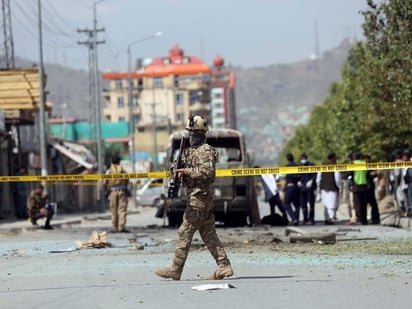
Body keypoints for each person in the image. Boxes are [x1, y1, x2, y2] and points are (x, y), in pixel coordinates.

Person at [154, 115, 233, 281]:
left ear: (201, 134)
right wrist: (176, 169)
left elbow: (207, 172)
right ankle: (224, 265)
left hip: (200, 199)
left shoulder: (205, 151)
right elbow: (182, 167)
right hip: (198, 198)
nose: (191, 137)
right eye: (190, 133)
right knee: (209, 234)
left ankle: (175, 270)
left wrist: (187, 172)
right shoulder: (191, 152)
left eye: (193, 133)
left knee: (184, 232)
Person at [104, 156, 129, 233]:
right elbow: (127, 180)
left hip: (113, 192)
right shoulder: (123, 171)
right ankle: (122, 227)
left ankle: (114, 227)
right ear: (119, 161)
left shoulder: (109, 171)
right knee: (122, 209)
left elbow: (105, 182)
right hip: (122, 191)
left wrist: (107, 190)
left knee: (113, 209)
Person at [317, 152, 341, 225]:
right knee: (332, 204)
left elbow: (318, 177)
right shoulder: (334, 166)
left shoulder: (323, 165)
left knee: (326, 204)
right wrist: (339, 187)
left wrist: (319, 186)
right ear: (333, 158)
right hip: (332, 188)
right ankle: (331, 218)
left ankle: (327, 218)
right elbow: (337, 178)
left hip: (324, 188)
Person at [298, 153, 317, 225]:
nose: (303, 160)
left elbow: (315, 174)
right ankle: (305, 218)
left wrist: (312, 180)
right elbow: (297, 175)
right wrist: (298, 181)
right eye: (301, 159)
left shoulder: (311, 164)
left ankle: (311, 219)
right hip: (302, 188)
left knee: (311, 204)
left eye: (304, 159)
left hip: (310, 187)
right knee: (303, 204)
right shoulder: (299, 166)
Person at [282, 153, 301, 225]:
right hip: (296, 187)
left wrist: (283, 189)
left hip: (290, 187)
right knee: (297, 205)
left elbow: (285, 178)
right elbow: (300, 176)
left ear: (287, 159)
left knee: (286, 204)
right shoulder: (297, 166)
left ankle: (294, 218)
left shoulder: (286, 167)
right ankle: (296, 219)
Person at [352, 153, 368, 225]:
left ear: (354, 157)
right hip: (364, 185)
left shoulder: (353, 163)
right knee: (364, 204)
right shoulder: (364, 163)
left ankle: (359, 219)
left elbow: (350, 173)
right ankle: (364, 220)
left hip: (356, 185)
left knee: (357, 204)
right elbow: (366, 172)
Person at [364, 154, 380, 224]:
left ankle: (375, 219)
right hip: (364, 188)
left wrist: (374, 173)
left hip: (370, 188)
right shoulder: (362, 167)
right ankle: (364, 219)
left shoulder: (370, 166)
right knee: (364, 205)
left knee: (373, 205)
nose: (367, 161)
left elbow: (375, 173)